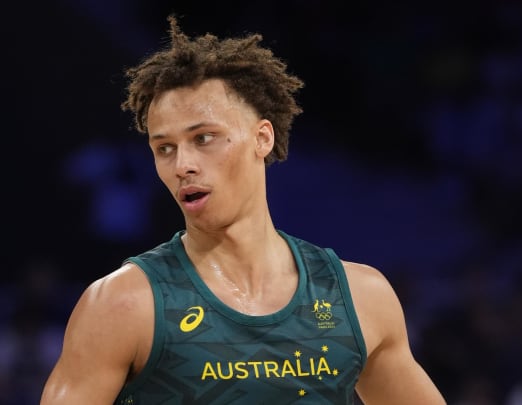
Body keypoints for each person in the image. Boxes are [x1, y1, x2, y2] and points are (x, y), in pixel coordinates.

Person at [40, 15, 446, 405]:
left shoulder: (359, 297)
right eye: (164, 148)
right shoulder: (122, 303)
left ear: (262, 138)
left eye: (204, 138)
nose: (183, 165)